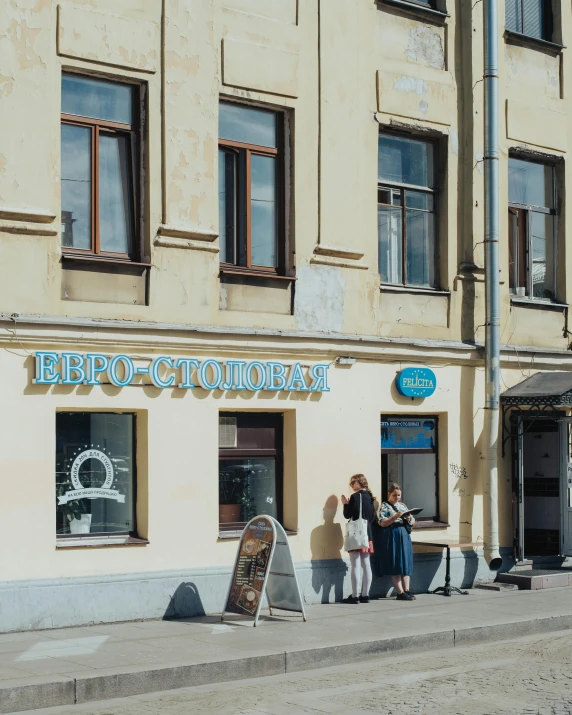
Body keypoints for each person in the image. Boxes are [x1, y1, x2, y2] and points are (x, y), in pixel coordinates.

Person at [341, 474, 376, 604]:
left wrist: (345, 504)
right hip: (368, 534)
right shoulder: (370, 497)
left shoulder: (356, 497)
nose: (351, 485)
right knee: (366, 565)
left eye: (353, 483)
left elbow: (347, 515)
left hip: (356, 534)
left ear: (359, 482)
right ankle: (365, 594)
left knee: (355, 564)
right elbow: (372, 517)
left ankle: (355, 596)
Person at [378, 482, 415, 601]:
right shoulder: (384, 506)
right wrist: (395, 517)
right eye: (394, 495)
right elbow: (382, 523)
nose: (397, 497)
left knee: (405, 562)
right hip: (392, 535)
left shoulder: (403, 505)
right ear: (389, 494)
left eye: (399, 495)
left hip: (404, 535)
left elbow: (413, 521)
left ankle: (407, 590)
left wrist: (409, 519)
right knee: (396, 562)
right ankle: (400, 592)